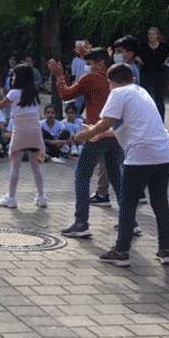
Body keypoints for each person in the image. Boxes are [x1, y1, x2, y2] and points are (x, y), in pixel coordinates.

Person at [74, 62, 169, 267]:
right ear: (132, 78)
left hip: (139, 156)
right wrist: (99, 133)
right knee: (160, 203)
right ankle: (165, 250)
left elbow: (105, 122)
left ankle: (121, 251)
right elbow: (128, 127)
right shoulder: (141, 92)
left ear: (112, 82)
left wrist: (85, 134)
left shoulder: (119, 93)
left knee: (128, 204)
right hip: (163, 154)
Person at [49, 49, 123, 238]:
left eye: (88, 62)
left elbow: (66, 95)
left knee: (82, 176)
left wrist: (59, 76)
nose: (86, 66)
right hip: (116, 133)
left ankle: (81, 223)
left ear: (97, 63)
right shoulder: (117, 76)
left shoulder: (92, 77)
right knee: (116, 177)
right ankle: (130, 221)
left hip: (96, 133)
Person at [0, 64, 47, 208]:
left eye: (15, 75)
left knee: (15, 165)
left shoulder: (14, 93)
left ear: (19, 78)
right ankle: (41, 197)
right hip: (35, 129)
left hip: (20, 129)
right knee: (35, 165)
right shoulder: (33, 93)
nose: (13, 78)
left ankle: (12, 198)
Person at [137, 26, 169, 121]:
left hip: (160, 76)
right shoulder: (143, 47)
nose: (151, 36)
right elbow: (136, 56)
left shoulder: (164, 47)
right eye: (149, 34)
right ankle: (146, 120)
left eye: (153, 34)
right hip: (146, 75)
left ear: (157, 36)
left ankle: (160, 122)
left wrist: (168, 60)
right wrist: (139, 60)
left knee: (159, 99)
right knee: (146, 98)